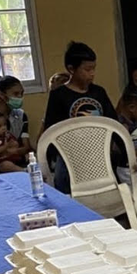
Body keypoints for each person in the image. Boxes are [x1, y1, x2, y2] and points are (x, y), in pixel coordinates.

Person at [42, 42, 118, 192]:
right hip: (70, 159)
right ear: (71, 69)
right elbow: (51, 129)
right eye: (87, 69)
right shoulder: (59, 95)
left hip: (99, 156)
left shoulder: (98, 92)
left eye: (94, 68)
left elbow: (113, 123)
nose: (92, 73)